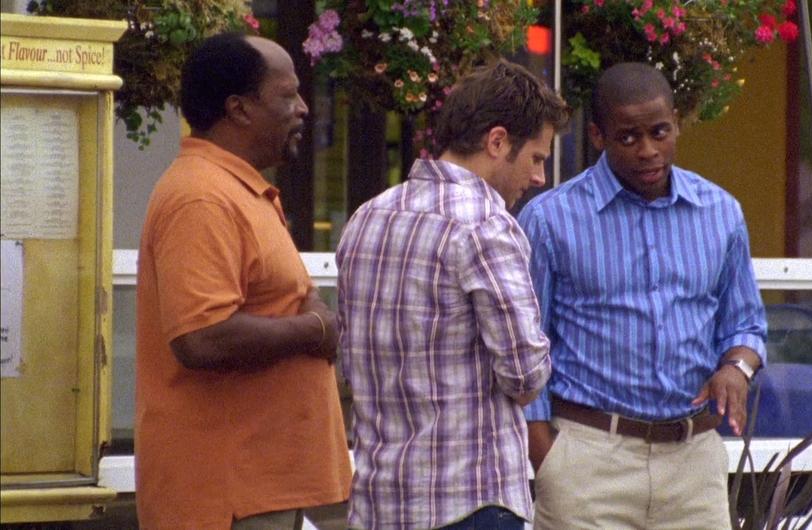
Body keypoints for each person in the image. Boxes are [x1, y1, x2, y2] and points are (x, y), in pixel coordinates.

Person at [520, 62, 767, 529]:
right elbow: (526, 344)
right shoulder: (550, 220)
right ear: (598, 136)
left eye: (659, 131)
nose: (648, 150)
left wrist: (737, 367)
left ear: (676, 122)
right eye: (628, 137)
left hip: (694, 463)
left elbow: (746, 323)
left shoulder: (721, 212)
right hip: (589, 461)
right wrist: (546, 457)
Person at [335, 59, 570, 530]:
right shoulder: (486, 223)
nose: (540, 177)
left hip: (380, 500)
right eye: (537, 158)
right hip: (469, 500)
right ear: (497, 141)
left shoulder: (367, 216)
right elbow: (525, 377)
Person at [135, 33, 351, 529]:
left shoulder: (238, 188)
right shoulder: (202, 198)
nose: (302, 109)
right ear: (239, 108)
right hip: (225, 498)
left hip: (259, 490)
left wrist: (310, 311)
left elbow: (287, 292)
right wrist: (316, 331)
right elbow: (201, 338)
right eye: (287, 95)